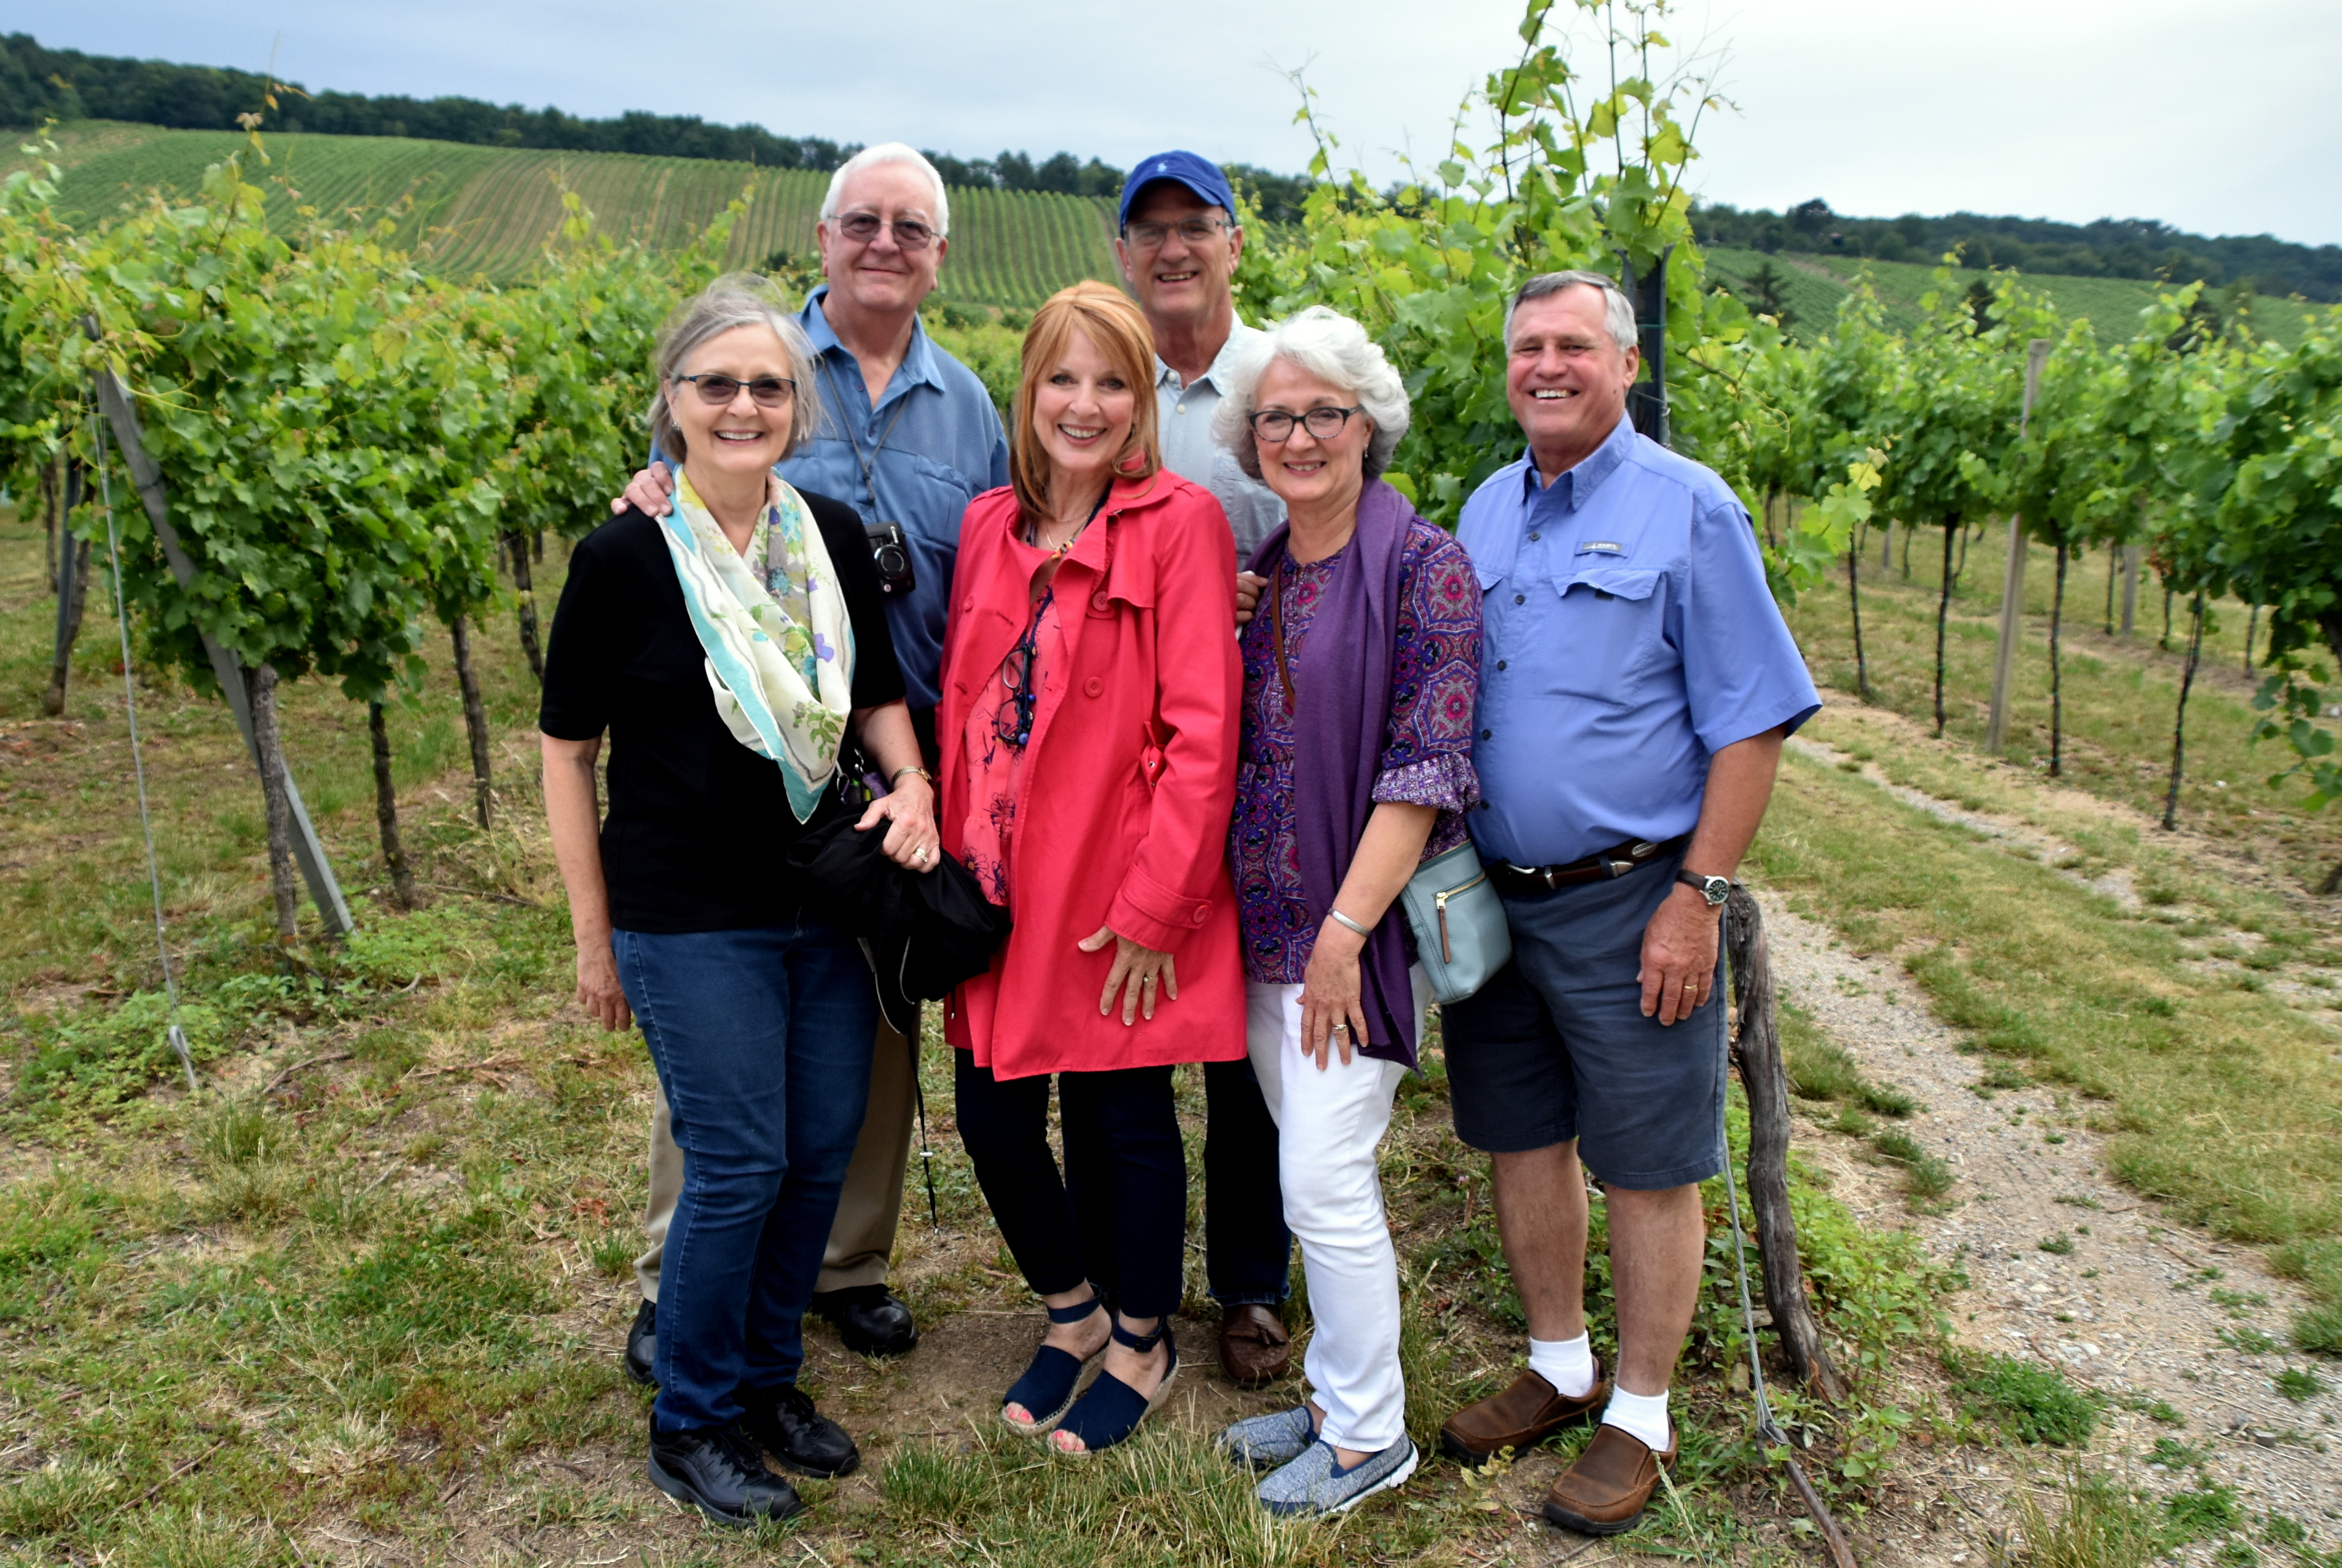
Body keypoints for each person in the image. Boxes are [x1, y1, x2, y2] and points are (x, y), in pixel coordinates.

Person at [541, 273, 941, 1526]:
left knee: (817, 1151)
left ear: (795, 405)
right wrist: (593, 939)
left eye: (768, 385)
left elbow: (877, 694)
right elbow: (567, 753)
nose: (743, 406)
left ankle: (766, 1382)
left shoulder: (829, 535)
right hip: (686, 914)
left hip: (826, 899)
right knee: (737, 1162)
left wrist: (915, 783)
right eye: (716, 383)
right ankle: (692, 1419)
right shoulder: (622, 556)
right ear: (672, 400)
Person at [616, 143, 1011, 1379]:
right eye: (864, 222)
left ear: (939, 256)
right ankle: (678, 1272)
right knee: (728, 1029)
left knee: (872, 1012)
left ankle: (845, 1261)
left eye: (911, 228)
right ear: (825, 237)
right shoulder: (758, 361)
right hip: (740, 760)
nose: (886, 244)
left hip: (898, 746)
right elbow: (674, 490)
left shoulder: (971, 406)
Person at [1434, 271, 1819, 1535]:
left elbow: (1753, 721)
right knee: (1522, 1135)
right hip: (1496, 898)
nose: (1547, 366)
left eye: (1574, 345)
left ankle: (1643, 1413)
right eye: (1527, 347)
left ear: (1627, 364)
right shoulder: (1486, 507)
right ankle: (1559, 1365)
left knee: (1650, 1162)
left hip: (1632, 898)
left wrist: (1697, 897)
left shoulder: (1689, 507)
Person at [938, 281, 1244, 1456]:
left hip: (1111, 889)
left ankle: (1143, 1340)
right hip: (994, 885)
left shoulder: (1181, 524)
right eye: (1062, 377)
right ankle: (1073, 1311)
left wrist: (1160, 905)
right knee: (993, 1119)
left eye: (1112, 382)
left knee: (1124, 1118)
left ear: (1139, 403)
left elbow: (1203, 733)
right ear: (1029, 391)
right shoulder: (987, 524)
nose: (1084, 403)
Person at [1202, 309, 1481, 1515]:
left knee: (1323, 1182)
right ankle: (1332, 1400)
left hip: (1349, 939)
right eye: (1277, 416)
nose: (1300, 435)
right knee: (1303, 1174)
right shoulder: (1266, 574)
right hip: (1261, 931)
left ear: (1368, 424)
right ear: (1249, 437)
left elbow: (1425, 769)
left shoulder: (1423, 566)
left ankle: (1371, 1439)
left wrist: (1345, 936)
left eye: (1326, 412)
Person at [1114, 148, 1295, 1389]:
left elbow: (1347, 538)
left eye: (1198, 226)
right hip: (1128, 754)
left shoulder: (1286, 382)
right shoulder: (1101, 382)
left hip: (1269, 749)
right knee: (1130, 1018)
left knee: (1244, 1034)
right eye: (1153, 229)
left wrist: (1264, 594)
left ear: (1235, 242)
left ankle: (1248, 1284)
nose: (1174, 248)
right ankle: (1132, 1278)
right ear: (1123, 251)